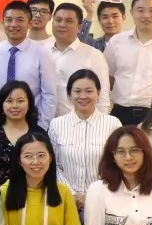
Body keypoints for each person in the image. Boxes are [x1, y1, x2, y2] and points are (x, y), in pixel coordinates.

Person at [48, 69, 122, 212]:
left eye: (89, 91)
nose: (83, 96)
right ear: (69, 95)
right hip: (65, 200)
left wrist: (92, 195)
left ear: (98, 93)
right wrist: (71, 194)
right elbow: (52, 164)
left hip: (103, 201)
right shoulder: (56, 124)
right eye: (77, 91)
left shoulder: (113, 124)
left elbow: (117, 164)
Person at [0, 0, 57, 131]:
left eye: (19, 20)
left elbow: (49, 94)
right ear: (3, 22)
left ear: (30, 23)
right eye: (9, 20)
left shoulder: (42, 53)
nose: (13, 24)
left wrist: (42, 127)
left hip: (29, 120)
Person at [0, 81, 46, 186]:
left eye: (20, 101)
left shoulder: (39, 134)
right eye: (9, 101)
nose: (15, 106)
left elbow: (46, 167)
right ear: (2, 104)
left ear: (29, 104)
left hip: (32, 190)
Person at [49, 3, 111, 117]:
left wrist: (102, 124)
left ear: (79, 27)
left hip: (79, 122)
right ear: (52, 23)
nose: (62, 24)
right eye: (58, 20)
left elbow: (102, 98)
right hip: (44, 122)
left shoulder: (93, 55)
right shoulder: (43, 52)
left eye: (68, 21)